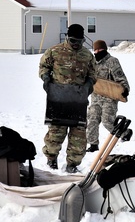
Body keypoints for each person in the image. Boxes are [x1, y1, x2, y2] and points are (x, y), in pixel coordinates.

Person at [38, 23, 95, 173]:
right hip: (58, 100)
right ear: (67, 38)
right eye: (73, 41)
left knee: (79, 138)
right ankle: (51, 160)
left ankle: (72, 164)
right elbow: (44, 66)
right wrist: (45, 79)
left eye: (79, 41)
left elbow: (93, 74)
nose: (76, 44)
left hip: (78, 100)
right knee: (55, 135)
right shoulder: (54, 51)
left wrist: (89, 84)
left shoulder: (87, 55)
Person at [85, 39, 130, 153]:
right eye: (95, 50)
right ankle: (93, 144)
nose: (97, 51)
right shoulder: (92, 63)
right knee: (92, 120)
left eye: (100, 49)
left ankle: (125, 132)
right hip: (95, 97)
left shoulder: (112, 61)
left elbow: (121, 78)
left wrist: (125, 89)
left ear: (105, 49)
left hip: (109, 98)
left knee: (107, 121)